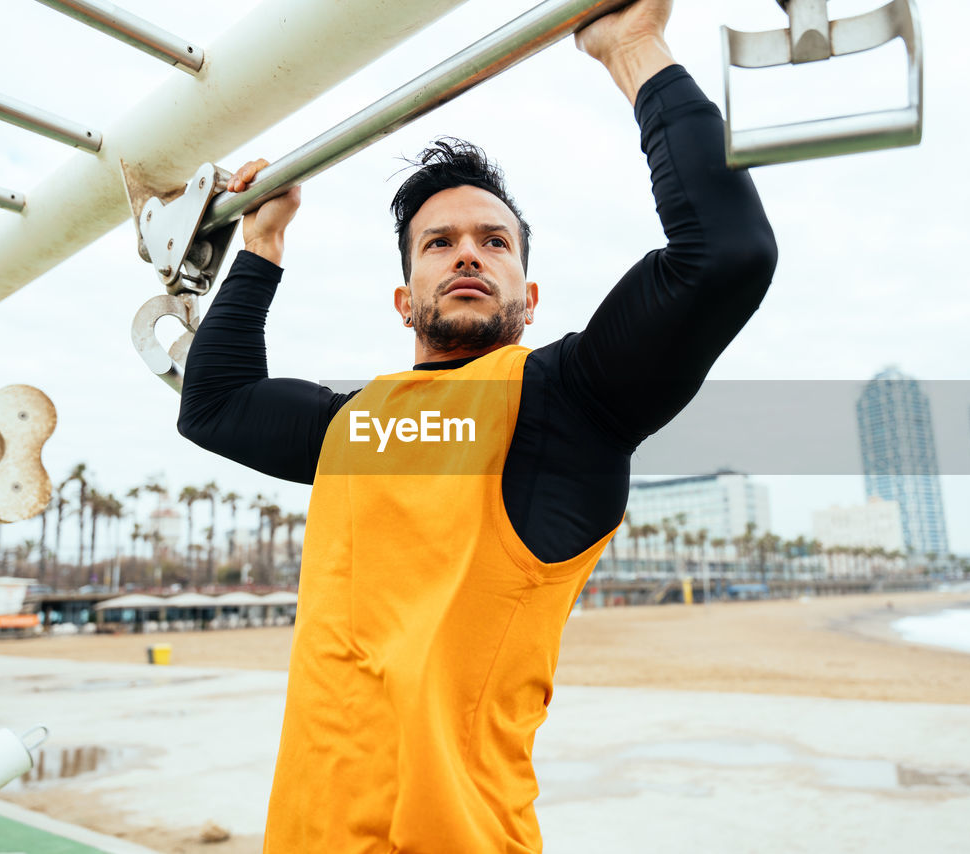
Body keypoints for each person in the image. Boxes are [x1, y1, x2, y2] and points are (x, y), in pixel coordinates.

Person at [177, 0, 777, 849]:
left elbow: (726, 253)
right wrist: (263, 246)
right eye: (438, 243)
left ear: (528, 299)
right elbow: (214, 405)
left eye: (495, 242)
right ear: (404, 299)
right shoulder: (356, 429)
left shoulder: (565, 401)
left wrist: (632, 49)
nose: (466, 252)